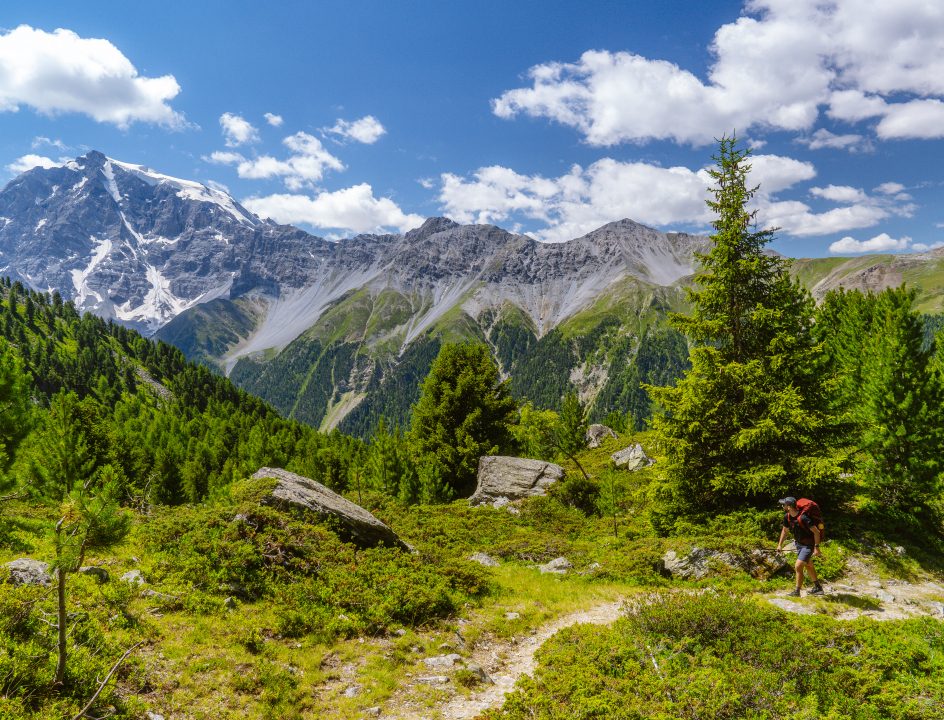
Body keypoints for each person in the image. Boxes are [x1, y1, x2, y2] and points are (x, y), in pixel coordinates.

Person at [775, 496, 824, 597]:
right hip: (799, 544)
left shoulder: (803, 517)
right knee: (808, 565)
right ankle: (818, 587)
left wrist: (816, 547)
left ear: (789, 507)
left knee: (798, 566)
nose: (782, 506)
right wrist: (780, 545)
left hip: (808, 545)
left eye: (783, 504)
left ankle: (797, 592)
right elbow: (785, 530)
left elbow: (816, 532)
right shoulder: (787, 516)